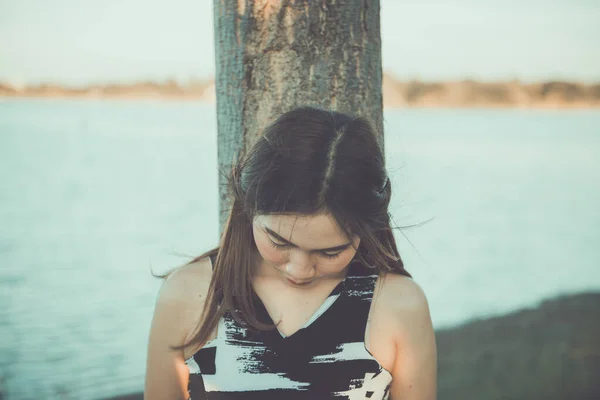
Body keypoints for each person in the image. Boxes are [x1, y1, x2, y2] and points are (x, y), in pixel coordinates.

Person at [144, 106, 437, 400]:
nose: (299, 269)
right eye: (280, 242)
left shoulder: (400, 305)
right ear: (249, 205)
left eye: (330, 251)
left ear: (367, 229)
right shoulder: (189, 293)